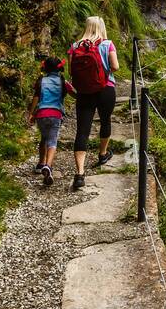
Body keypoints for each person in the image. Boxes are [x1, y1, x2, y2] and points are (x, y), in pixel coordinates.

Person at [66, 16, 120, 191]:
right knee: (105, 120)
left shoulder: (75, 47)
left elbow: (71, 72)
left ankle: (80, 173)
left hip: (84, 92)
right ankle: (103, 154)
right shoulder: (107, 43)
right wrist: (102, 73)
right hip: (106, 88)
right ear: (101, 27)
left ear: (87, 27)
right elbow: (116, 66)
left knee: (82, 130)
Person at [28, 56, 75, 187]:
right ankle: (48, 166)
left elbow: (36, 97)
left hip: (41, 114)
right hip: (55, 114)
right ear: (60, 68)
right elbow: (74, 93)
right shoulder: (62, 81)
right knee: (52, 141)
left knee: (44, 138)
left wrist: (31, 114)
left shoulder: (41, 80)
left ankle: (40, 163)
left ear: (45, 68)